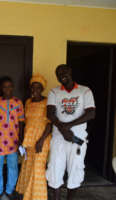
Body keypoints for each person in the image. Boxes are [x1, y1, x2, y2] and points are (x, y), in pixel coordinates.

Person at [46, 64, 96, 200]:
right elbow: (50, 113)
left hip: (78, 139)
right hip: (58, 139)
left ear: (70, 72)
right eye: (58, 73)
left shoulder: (85, 91)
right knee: (55, 170)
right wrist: (63, 131)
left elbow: (91, 113)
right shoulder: (54, 92)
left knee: (76, 170)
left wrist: (67, 126)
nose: (62, 74)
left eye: (64, 71)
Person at [15, 74, 52, 200]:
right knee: (29, 167)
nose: (34, 90)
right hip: (29, 140)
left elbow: (49, 124)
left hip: (41, 140)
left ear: (42, 89)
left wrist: (41, 141)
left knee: (38, 169)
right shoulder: (28, 102)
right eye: (32, 87)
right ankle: (27, 195)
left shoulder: (47, 102)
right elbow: (25, 122)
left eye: (37, 87)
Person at [0, 76, 25, 200]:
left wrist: (21, 140)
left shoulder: (18, 103)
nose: (7, 89)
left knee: (13, 167)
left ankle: (10, 190)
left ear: (13, 87)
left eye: (9, 86)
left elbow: (21, 122)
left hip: (13, 142)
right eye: (5, 86)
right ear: (1, 88)